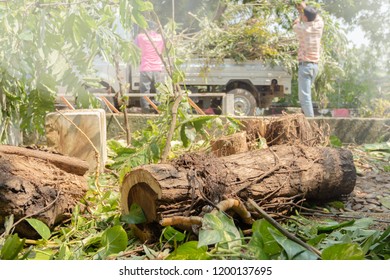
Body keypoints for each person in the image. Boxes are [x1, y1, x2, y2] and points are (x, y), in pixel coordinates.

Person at [293, 1, 324, 117]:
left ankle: (310, 121)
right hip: (315, 66)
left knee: (304, 96)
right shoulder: (318, 25)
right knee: (306, 95)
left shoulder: (301, 29)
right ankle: (307, 117)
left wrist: (300, 12)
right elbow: (316, 17)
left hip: (305, 66)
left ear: (305, 18)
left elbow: (295, 24)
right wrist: (304, 8)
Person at [135, 23, 165, 113]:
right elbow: (162, 50)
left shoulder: (141, 37)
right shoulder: (161, 38)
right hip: (158, 68)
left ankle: (146, 110)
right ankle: (158, 110)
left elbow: (134, 47)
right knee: (158, 91)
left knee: (145, 91)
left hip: (146, 67)